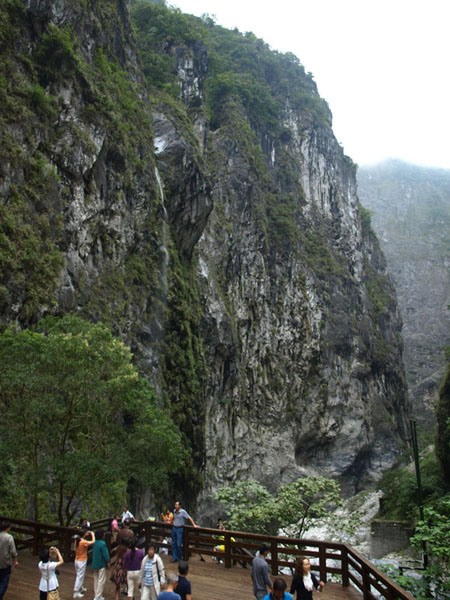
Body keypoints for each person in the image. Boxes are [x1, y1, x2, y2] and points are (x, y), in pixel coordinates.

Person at [73, 528, 95, 598]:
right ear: (83, 534)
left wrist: (87, 533)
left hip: (76, 560)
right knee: (80, 576)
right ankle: (76, 592)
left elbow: (74, 548)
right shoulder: (83, 542)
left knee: (79, 575)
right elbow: (93, 542)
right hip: (82, 561)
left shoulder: (77, 540)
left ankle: (81, 588)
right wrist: (93, 534)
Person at [0, 521, 18, 600]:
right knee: (4, 581)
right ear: (7, 528)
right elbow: (13, 552)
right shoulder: (9, 537)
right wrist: (15, 561)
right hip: (5, 563)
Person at [91, 529, 110, 600]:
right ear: (102, 535)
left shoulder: (95, 543)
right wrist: (108, 561)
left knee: (96, 579)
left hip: (95, 563)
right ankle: (98, 596)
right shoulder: (103, 543)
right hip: (101, 564)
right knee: (101, 580)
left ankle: (97, 594)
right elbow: (106, 554)